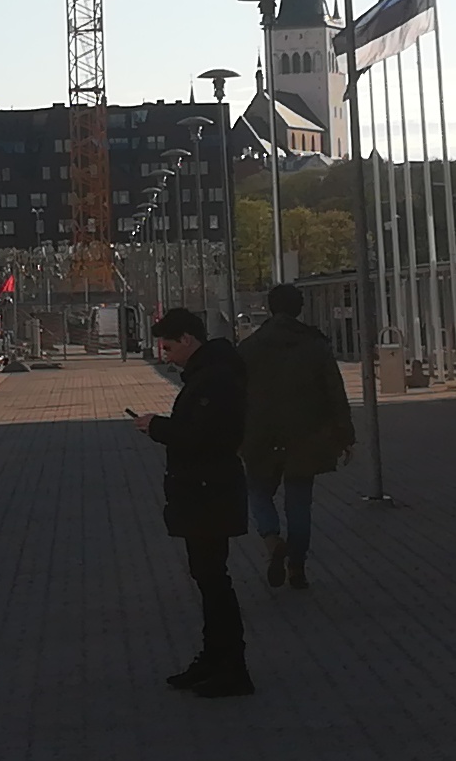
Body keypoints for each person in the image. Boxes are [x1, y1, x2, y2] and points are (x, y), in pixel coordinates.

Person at [127, 306, 253, 698]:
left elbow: (204, 435)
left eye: (167, 346)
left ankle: (230, 667)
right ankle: (215, 658)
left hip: (208, 491)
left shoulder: (213, 380)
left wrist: (158, 428)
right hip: (205, 489)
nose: (164, 354)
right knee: (208, 577)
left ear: (188, 340)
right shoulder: (211, 374)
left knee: (214, 581)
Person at [237, 282, 355, 591]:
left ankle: (271, 537)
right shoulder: (315, 345)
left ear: (269, 307)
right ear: (299, 308)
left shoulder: (249, 347)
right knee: (299, 503)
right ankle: (297, 568)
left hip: (260, 435)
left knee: (259, 490)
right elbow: (335, 393)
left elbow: (235, 395)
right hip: (306, 436)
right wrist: (345, 435)